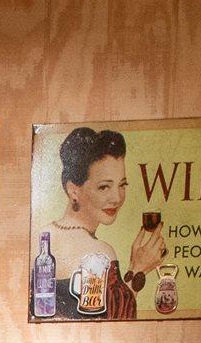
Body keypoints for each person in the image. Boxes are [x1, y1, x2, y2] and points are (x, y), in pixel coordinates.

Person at [48, 125, 166, 320]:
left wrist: (134, 270)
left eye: (122, 185)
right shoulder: (100, 252)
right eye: (104, 187)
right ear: (73, 190)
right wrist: (139, 269)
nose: (117, 198)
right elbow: (118, 323)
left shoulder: (43, 234)